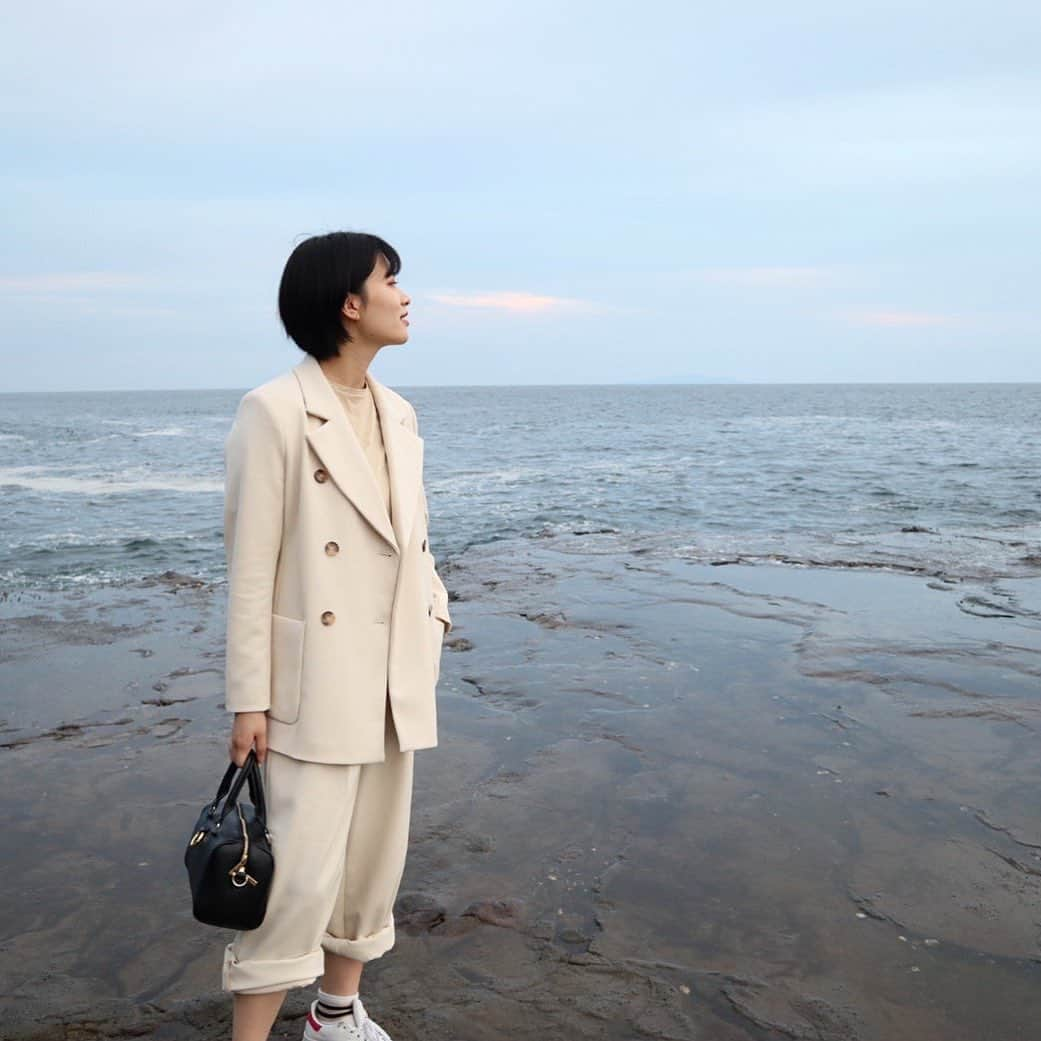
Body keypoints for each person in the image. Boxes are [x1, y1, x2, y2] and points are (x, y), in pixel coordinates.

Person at [220, 231, 453, 1041]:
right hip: (312, 678)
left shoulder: (398, 411)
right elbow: (250, 566)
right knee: (295, 875)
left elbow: (412, 538)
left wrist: (434, 607)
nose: (406, 295)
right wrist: (248, 696)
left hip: (393, 671)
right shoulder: (274, 409)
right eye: (392, 280)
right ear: (349, 304)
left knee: (370, 862)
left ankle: (335, 1013)